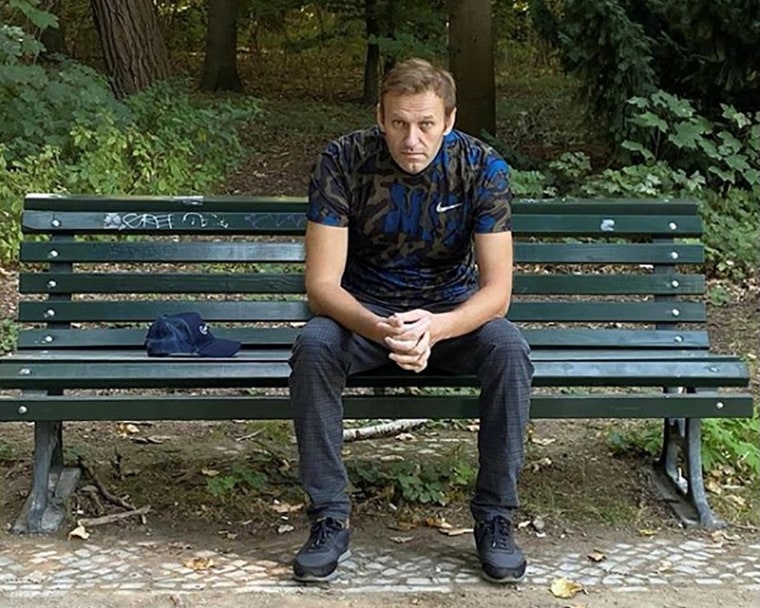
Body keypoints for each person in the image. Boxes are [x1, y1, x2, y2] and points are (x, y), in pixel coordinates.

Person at [288, 57, 534, 584]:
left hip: (452, 318)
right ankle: (329, 517)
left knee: (509, 348)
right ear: (380, 116)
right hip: (364, 317)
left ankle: (496, 519)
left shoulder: (481, 167)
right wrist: (383, 328)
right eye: (398, 122)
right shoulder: (342, 160)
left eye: (425, 124)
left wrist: (437, 327)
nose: (411, 139)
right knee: (313, 346)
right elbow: (322, 287)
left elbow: (498, 293)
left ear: (448, 121)